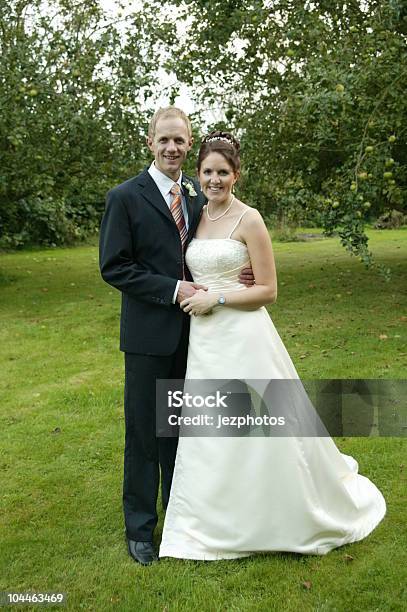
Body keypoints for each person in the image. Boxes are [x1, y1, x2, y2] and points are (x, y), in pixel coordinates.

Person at [158, 131, 386, 560]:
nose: (214, 179)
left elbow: (268, 290)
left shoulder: (251, 219)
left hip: (244, 334)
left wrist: (218, 296)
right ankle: (210, 519)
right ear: (198, 174)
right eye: (207, 171)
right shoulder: (195, 214)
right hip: (205, 341)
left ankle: (278, 513)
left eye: (222, 172)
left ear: (236, 175)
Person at [99, 109, 253, 565]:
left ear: (189, 145)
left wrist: (233, 277)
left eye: (180, 141)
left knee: (183, 432)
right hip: (148, 338)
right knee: (146, 433)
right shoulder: (125, 197)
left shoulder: (195, 194)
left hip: (199, 338)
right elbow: (115, 267)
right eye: (164, 139)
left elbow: (211, 248)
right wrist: (172, 290)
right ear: (150, 142)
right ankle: (141, 529)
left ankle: (182, 518)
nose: (172, 148)